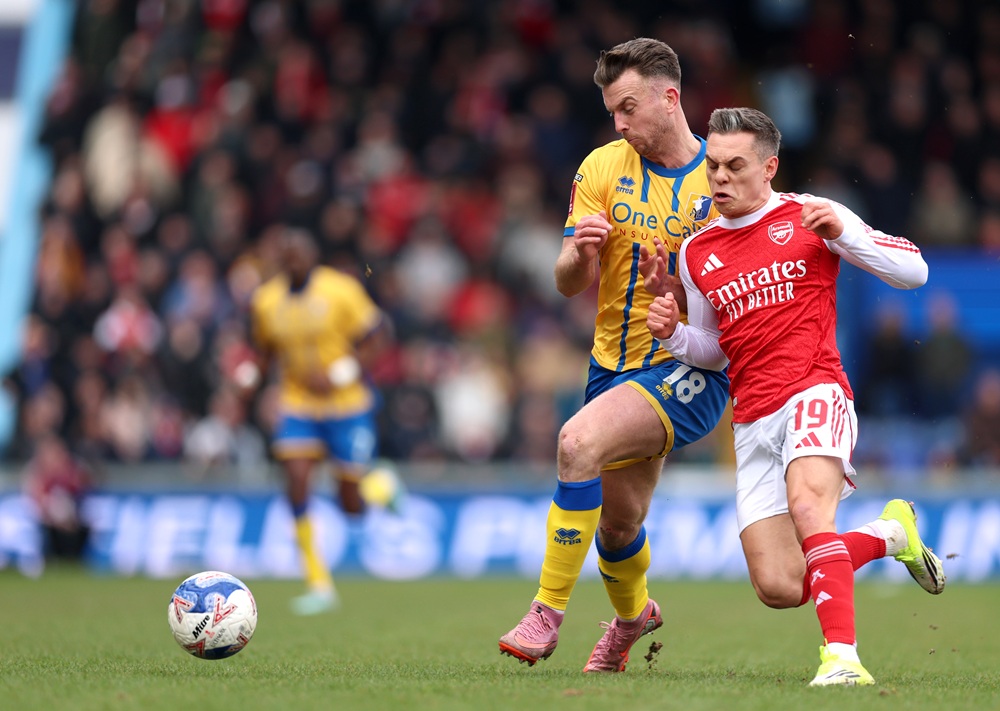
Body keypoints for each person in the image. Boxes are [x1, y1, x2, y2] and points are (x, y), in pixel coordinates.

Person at [645, 107, 945, 686]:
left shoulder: (809, 215)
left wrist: (847, 230)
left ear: (769, 167)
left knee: (810, 509)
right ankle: (892, 535)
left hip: (816, 388)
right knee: (780, 586)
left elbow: (916, 273)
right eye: (713, 167)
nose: (720, 179)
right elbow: (715, 346)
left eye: (735, 166)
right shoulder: (696, 252)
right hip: (752, 417)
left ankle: (842, 660)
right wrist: (675, 335)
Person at [498, 38, 730, 673]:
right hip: (611, 366)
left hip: (689, 365)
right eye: (612, 112)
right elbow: (567, 281)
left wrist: (679, 295)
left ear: (669, 97)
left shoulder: (723, 180)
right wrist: (581, 255)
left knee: (575, 445)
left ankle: (546, 611)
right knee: (618, 529)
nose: (620, 124)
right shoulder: (600, 167)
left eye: (628, 108)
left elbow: (746, 293)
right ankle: (634, 620)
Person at [240, 226, 397, 615]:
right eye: (286, 254)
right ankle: (318, 583)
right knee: (295, 480)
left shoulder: (340, 290)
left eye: (299, 253)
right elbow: (265, 350)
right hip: (298, 405)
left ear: (313, 256)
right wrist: (249, 381)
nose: (293, 260)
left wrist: (341, 373)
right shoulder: (266, 300)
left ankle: (382, 487)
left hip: (348, 404)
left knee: (351, 503)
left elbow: (378, 335)